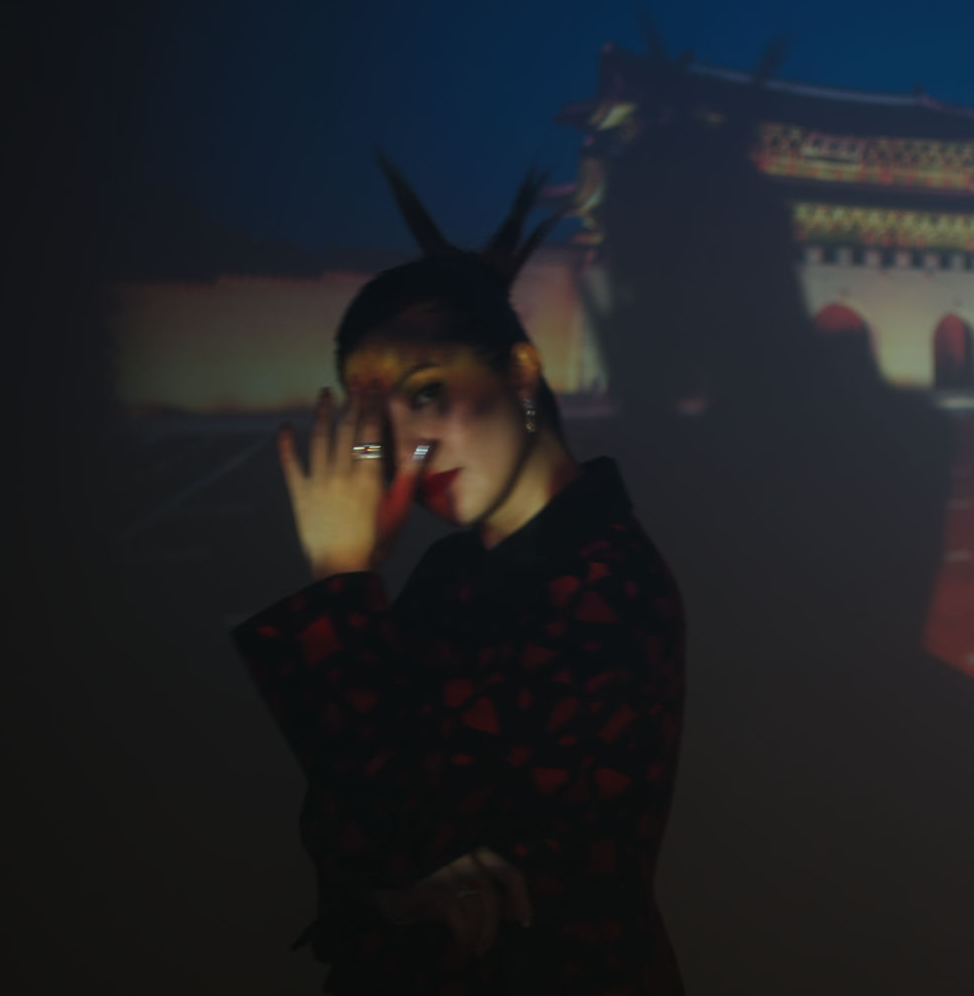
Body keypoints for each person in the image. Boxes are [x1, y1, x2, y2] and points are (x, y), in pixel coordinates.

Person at [229, 152, 686, 994]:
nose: (407, 446)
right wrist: (361, 507)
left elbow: (406, 826)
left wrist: (340, 577)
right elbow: (346, 833)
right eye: (376, 425)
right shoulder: (445, 572)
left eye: (430, 394)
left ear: (521, 371)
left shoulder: (607, 584)